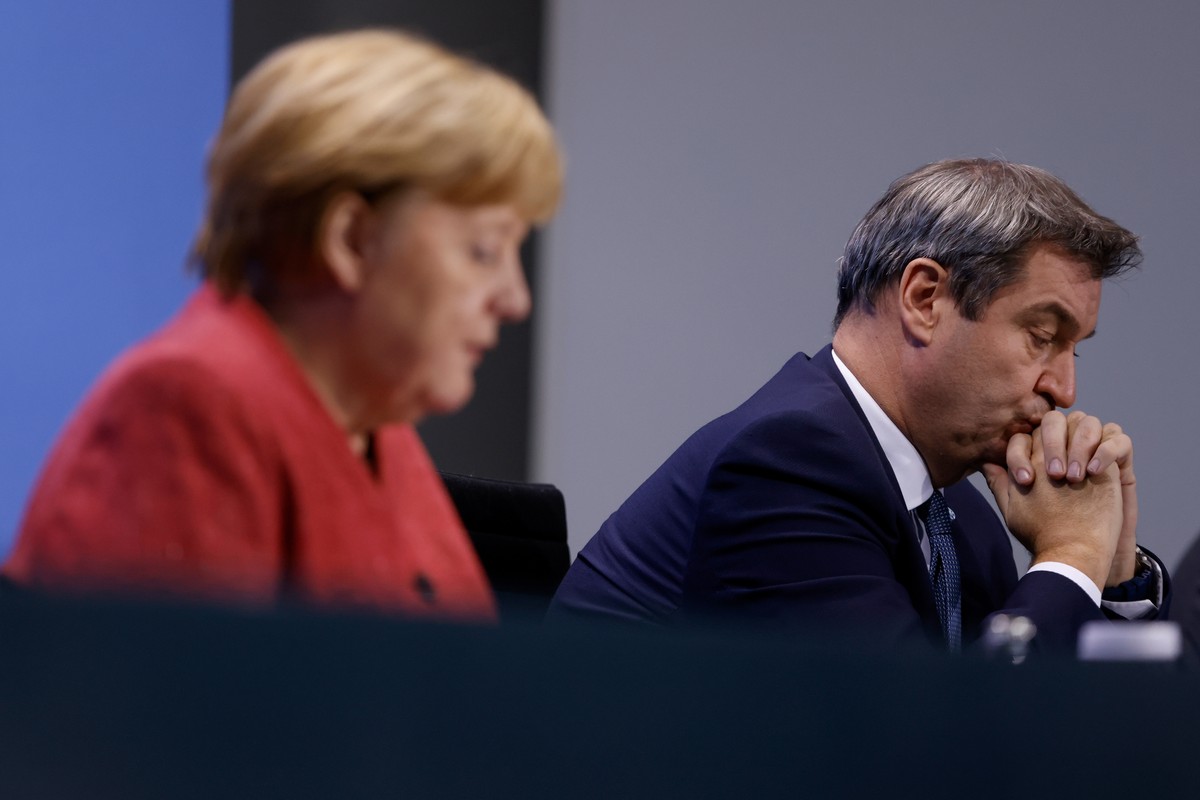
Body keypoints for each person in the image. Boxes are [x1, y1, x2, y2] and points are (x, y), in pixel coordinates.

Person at [3, 29, 562, 621]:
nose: (514, 299)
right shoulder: (191, 409)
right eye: (483, 251)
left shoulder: (376, 429)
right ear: (352, 239)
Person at [549, 158, 1167, 653]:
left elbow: (1075, 750)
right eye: (1041, 336)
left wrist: (1111, 575)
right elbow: (916, 755)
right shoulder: (787, 466)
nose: (1065, 390)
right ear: (925, 299)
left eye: (1073, 351)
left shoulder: (965, 523)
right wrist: (1069, 556)